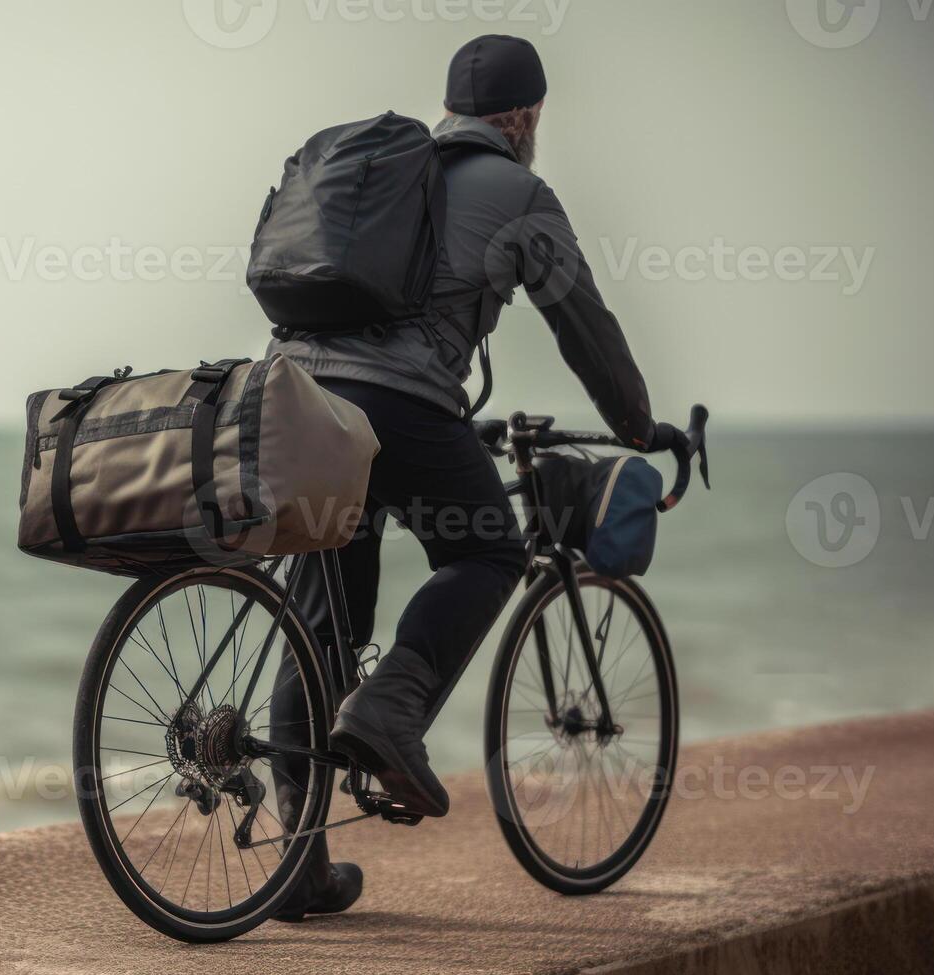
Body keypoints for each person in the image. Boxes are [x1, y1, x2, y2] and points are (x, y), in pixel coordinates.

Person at [264, 34, 670, 921]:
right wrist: (639, 426)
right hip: (400, 405)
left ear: (451, 107)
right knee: (489, 554)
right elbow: (584, 328)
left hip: (293, 396)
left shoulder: (380, 176)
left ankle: (298, 865)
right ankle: (391, 711)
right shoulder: (521, 192)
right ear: (524, 116)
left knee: (325, 621)